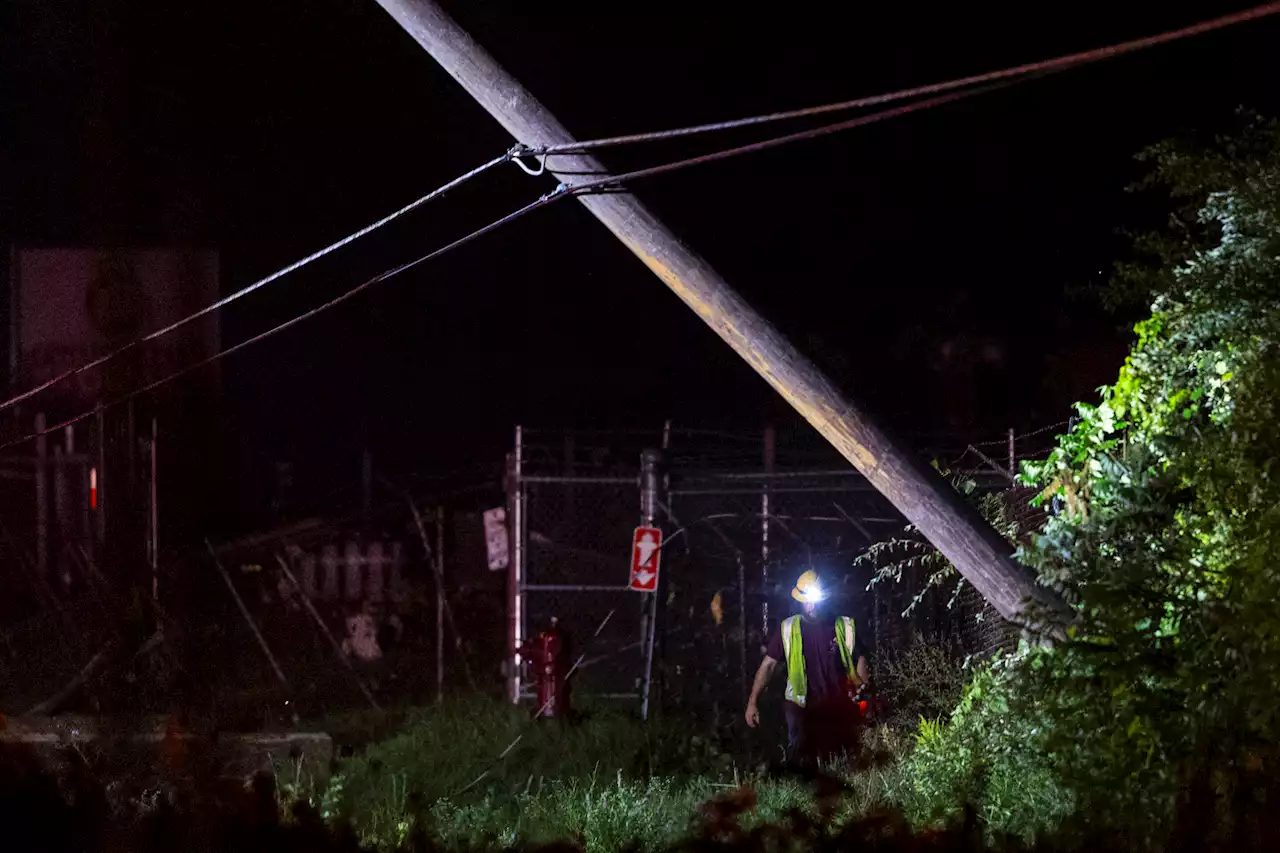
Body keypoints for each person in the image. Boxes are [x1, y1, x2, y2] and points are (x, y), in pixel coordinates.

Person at [744, 570, 869, 767]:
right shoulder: (788, 628)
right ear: (800, 600)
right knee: (802, 757)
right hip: (799, 706)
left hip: (836, 703)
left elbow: (859, 657)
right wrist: (753, 702)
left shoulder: (844, 625)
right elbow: (768, 666)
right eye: (807, 600)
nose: (811, 606)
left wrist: (863, 691)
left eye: (815, 600)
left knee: (840, 758)